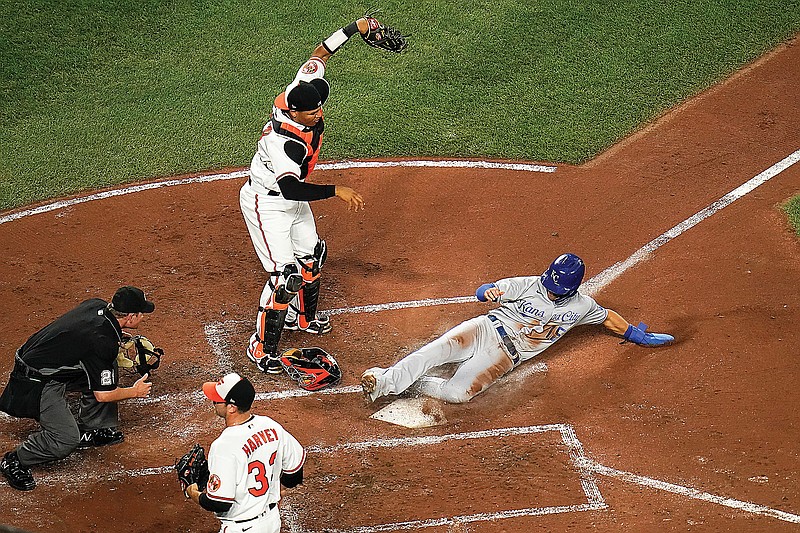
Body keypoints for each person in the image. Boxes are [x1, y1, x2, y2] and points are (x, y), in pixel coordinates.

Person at [240, 17, 374, 374]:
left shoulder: (301, 88)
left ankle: (303, 319)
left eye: (320, 107)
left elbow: (321, 53)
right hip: (267, 203)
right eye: (313, 111)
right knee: (284, 278)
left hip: (290, 199)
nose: (320, 114)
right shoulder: (283, 143)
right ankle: (260, 348)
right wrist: (336, 190)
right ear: (294, 112)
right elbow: (290, 188)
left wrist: (355, 27)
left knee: (313, 256)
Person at [361, 253, 675, 404]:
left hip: (506, 358)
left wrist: (638, 335)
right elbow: (486, 290)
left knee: (458, 394)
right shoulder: (529, 284)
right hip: (485, 328)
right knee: (436, 350)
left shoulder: (581, 308)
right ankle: (383, 381)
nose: (549, 287)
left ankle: (414, 385)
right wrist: (489, 292)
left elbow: (607, 317)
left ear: (570, 289)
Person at [0, 286, 155, 491]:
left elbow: (81, 334)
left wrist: (116, 337)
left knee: (106, 368)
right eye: (141, 313)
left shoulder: (97, 306)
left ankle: (92, 428)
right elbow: (104, 395)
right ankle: (16, 459)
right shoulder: (101, 341)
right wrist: (134, 392)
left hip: (39, 360)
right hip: (34, 382)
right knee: (65, 439)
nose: (143, 317)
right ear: (130, 316)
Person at [185, 373, 305, 533]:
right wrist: (272, 489)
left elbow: (219, 503)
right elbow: (294, 477)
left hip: (241, 528)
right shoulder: (271, 426)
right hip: (271, 521)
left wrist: (193, 492)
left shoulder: (223, 446)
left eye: (217, 399)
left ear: (231, 407)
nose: (213, 402)